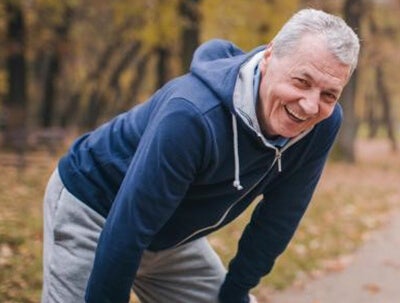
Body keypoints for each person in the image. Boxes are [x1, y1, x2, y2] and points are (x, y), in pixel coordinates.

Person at [41, 8, 359, 303]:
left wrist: (234, 293)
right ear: (269, 56)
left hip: (169, 237)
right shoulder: (192, 116)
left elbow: (280, 218)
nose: (309, 105)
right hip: (95, 208)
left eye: (328, 94)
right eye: (301, 81)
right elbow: (128, 228)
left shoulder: (322, 124)